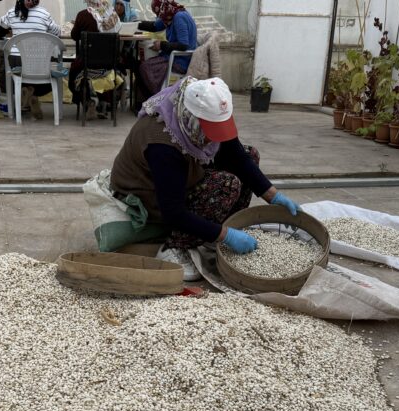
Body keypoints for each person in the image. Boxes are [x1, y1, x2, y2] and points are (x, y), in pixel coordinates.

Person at [110, 77, 300, 279]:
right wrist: (226, 236)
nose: (215, 137)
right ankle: (174, 246)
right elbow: (173, 211)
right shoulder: (163, 143)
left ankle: (210, 232)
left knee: (250, 155)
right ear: (193, 118)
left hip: (179, 176)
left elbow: (236, 155)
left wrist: (274, 196)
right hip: (146, 193)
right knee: (227, 185)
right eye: (211, 130)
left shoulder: (203, 110)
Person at [0, 0, 63, 120]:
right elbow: (58, 32)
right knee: (47, 76)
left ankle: (26, 92)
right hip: (39, 62)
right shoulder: (44, 14)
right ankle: (32, 94)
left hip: (15, 60)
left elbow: (2, 25)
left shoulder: (12, 12)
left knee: (15, 73)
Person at [70, 0, 125, 119]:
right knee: (105, 73)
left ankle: (87, 102)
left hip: (87, 66)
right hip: (108, 67)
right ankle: (104, 102)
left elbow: (74, 36)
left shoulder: (82, 15)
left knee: (73, 72)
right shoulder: (113, 16)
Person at [135, 0, 197, 101]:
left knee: (144, 67)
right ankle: (150, 101)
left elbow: (184, 45)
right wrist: (135, 24)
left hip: (180, 61)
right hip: (172, 56)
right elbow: (154, 26)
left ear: (163, 10)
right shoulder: (169, 14)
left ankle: (158, 99)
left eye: (159, 15)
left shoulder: (179, 17)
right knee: (141, 65)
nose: (159, 18)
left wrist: (162, 45)